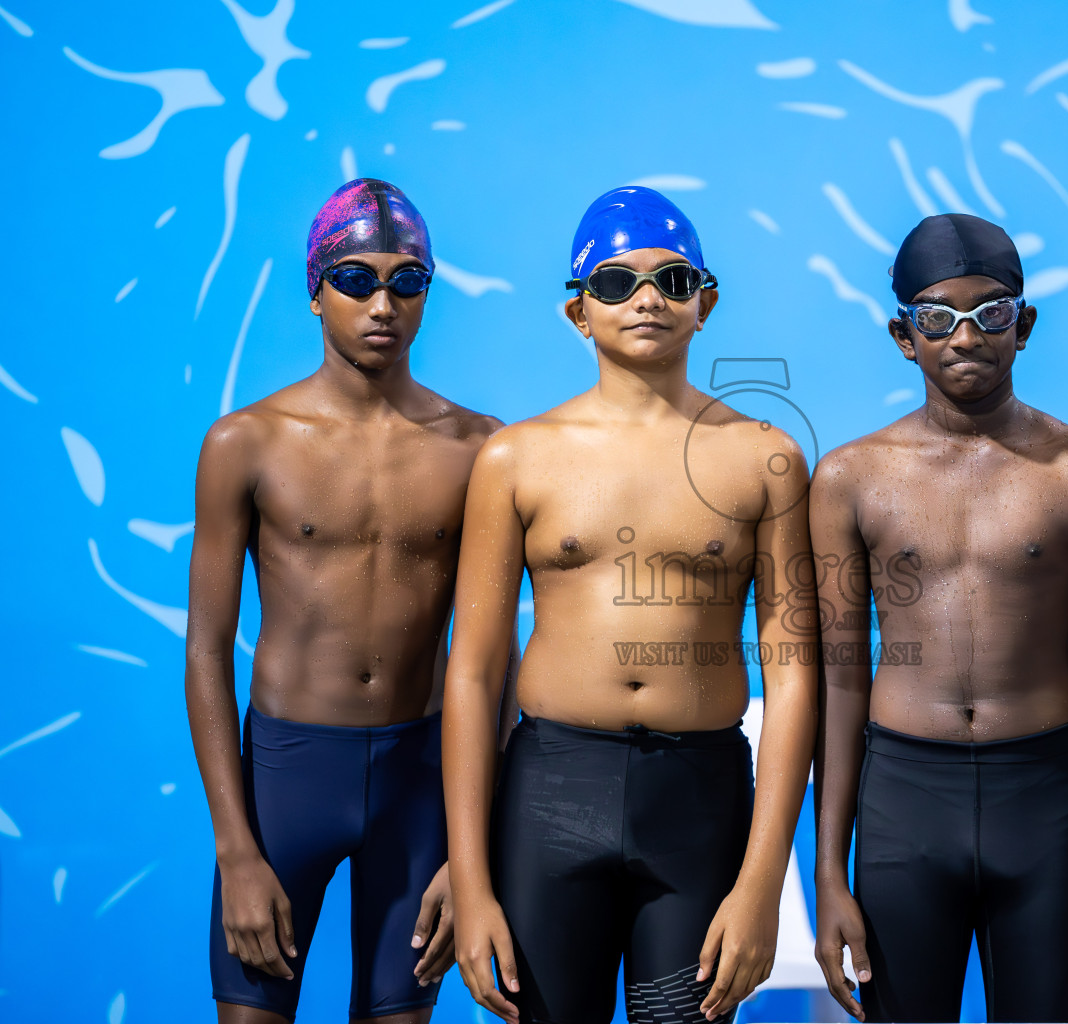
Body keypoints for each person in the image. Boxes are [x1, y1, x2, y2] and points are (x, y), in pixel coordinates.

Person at [442, 186, 818, 1024]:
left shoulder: (765, 460)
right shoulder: (517, 458)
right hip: (552, 793)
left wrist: (761, 885)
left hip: (698, 796)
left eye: (672, 281)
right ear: (579, 311)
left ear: (705, 304)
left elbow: (794, 682)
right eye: (616, 283)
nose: (647, 299)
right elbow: (473, 675)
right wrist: (471, 881)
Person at [811, 213, 1068, 1023]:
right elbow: (841, 685)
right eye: (937, 317)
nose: (966, 336)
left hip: (1042, 802)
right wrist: (828, 875)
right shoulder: (849, 479)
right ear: (903, 335)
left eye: (990, 312)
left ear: (1023, 325)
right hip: (903, 803)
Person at [186, 178, 502, 1022]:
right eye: (358, 279)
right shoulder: (245, 443)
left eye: (408, 281)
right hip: (287, 777)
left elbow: (495, 658)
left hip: (422, 781)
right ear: (316, 291)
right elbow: (207, 651)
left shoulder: (482, 448)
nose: (383, 304)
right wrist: (236, 849)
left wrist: (471, 852)